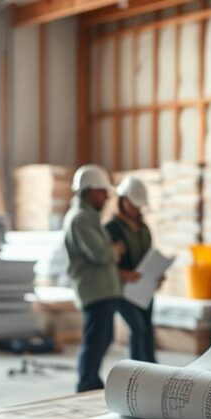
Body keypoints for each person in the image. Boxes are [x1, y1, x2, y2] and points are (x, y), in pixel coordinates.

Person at [63, 164, 124, 392]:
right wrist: (115, 250)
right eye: (102, 191)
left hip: (103, 289)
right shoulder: (80, 219)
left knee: (103, 337)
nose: (107, 196)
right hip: (94, 289)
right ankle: (86, 384)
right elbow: (100, 253)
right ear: (88, 191)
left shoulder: (89, 217)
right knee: (95, 340)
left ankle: (91, 380)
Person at [106, 176, 157, 363]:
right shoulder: (111, 229)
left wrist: (157, 274)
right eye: (132, 204)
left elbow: (149, 256)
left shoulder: (144, 229)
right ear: (123, 200)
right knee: (138, 329)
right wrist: (123, 274)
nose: (136, 209)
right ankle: (138, 374)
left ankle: (153, 370)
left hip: (144, 288)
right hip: (123, 290)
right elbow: (103, 263)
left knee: (147, 330)